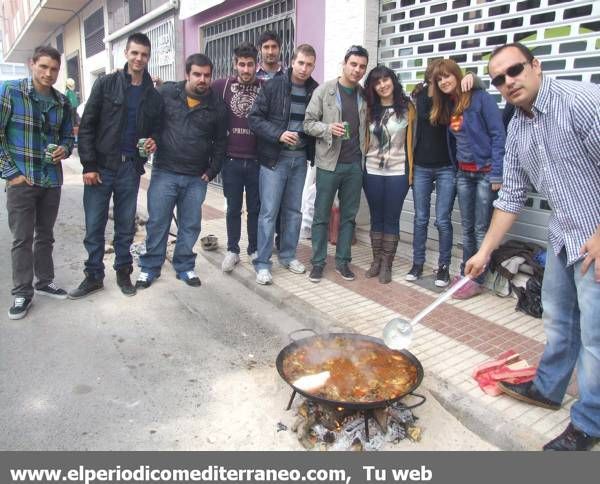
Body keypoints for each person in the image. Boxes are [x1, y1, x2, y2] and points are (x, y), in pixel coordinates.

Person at [465, 42, 600, 451]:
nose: (508, 82)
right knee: (558, 320)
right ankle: (548, 388)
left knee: (595, 339)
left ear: (536, 66)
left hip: (595, 240)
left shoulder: (580, 102)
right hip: (563, 234)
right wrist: (484, 251)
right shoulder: (519, 128)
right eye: (499, 79)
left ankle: (589, 424)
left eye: (515, 71)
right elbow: (512, 196)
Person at [69, 33, 163, 299]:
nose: (139, 58)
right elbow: (87, 126)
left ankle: (124, 272)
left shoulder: (152, 96)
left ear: (148, 57)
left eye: (144, 54)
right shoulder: (106, 84)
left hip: (129, 170)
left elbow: (156, 130)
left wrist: (151, 145)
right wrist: (88, 165)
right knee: (94, 225)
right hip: (101, 167)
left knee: (125, 226)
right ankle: (93, 276)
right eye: (135, 53)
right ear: (126, 53)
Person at [135, 53, 227, 289]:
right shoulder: (166, 93)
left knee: (190, 224)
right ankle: (150, 267)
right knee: (158, 222)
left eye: (207, 75)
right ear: (187, 74)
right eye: (197, 74)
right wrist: (151, 139)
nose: (202, 79)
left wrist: (212, 170)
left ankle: (185, 265)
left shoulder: (216, 105)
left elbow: (221, 142)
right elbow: (150, 122)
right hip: (165, 171)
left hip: (196, 177)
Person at [0, 45, 74, 319]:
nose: (48, 73)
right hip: (22, 180)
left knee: (46, 235)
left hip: (50, 180)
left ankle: (44, 281)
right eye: (43, 67)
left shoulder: (62, 101)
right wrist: (11, 173)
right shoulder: (10, 91)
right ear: (32, 64)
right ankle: (22, 292)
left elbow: (68, 137)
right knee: (22, 238)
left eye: (54, 69)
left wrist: (64, 150)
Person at [429, 59, 505, 299]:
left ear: (457, 75)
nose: (444, 81)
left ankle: (477, 279)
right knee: (468, 227)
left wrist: (497, 172)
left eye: (447, 76)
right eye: (439, 79)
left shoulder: (480, 98)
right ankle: (465, 273)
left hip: (484, 173)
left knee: (482, 228)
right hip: (463, 173)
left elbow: (498, 134)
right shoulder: (449, 105)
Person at [248, 44, 318, 285]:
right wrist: (278, 134)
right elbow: (254, 119)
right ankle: (263, 263)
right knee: (268, 213)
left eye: (309, 64)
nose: (304, 68)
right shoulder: (273, 85)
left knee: (293, 212)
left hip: (299, 159)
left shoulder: (314, 91)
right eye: (301, 63)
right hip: (274, 158)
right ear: (292, 61)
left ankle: (288, 255)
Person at [406, 63, 480, 287]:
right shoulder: (417, 98)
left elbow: (476, 88)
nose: (438, 82)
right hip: (421, 166)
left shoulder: (452, 99)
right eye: (435, 78)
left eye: (442, 78)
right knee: (420, 218)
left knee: (443, 220)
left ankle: (443, 267)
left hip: (447, 167)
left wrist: (472, 78)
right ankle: (417, 263)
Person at [304, 45, 369, 283]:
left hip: (354, 165)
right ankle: (318, 263)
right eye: (353, 64)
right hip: (328, 163)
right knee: (321, 215)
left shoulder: (364, 95)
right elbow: (308, 123)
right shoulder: (325, 91)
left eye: (362, 66)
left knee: (349, 217)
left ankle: (343, 262)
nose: (357, 70)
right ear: (344, 63)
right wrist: (328, 128)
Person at [362, 65, 415, 284]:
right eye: (377, 82)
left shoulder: (408, 108)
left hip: (398, 171)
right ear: (373, 87)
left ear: (393, 81)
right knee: (376, 217)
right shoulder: (368, 109)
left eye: (386, 80)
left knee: (392, 218)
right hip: (372, 169)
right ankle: (376, 260)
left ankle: (387, 264)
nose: (382, 85)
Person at [212, 42, 262, 273]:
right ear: (235, 65)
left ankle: (253, 249)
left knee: (255, 208)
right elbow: (195, 88)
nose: (245, 69)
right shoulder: (222, 86)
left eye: (250, 64)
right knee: (233, 208)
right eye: (241, 64)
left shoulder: (266, 87)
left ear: (256, 65)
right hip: (230, 160)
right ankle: (233, 250)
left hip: (257, 161)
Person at [255, 30, 285, 251]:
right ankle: (257, 245)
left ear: (280, 49)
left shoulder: (289, 77)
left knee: (282, 202)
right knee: (260, 202)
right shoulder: (251, 76)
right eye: (266, 47)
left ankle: (281, 241)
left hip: (281, 150)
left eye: (274, 47)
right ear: (260, 50)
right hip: (252, 147)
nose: (270, 51)